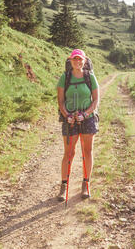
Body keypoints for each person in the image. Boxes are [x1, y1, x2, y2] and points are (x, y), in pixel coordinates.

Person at [56, 49, 99, 200]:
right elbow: (60, 101)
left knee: (87, 151)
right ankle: (64, 186)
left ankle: (86, 184)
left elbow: (95, 101)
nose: (78, 62)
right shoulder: (65, 77)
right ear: (71, 61)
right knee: (69, 153)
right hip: (70, 119)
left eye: (80, 59)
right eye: (75, 59)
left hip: (87, 118)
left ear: (85, 61)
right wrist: (67, 115)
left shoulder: (90, 77)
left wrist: (85, 114)